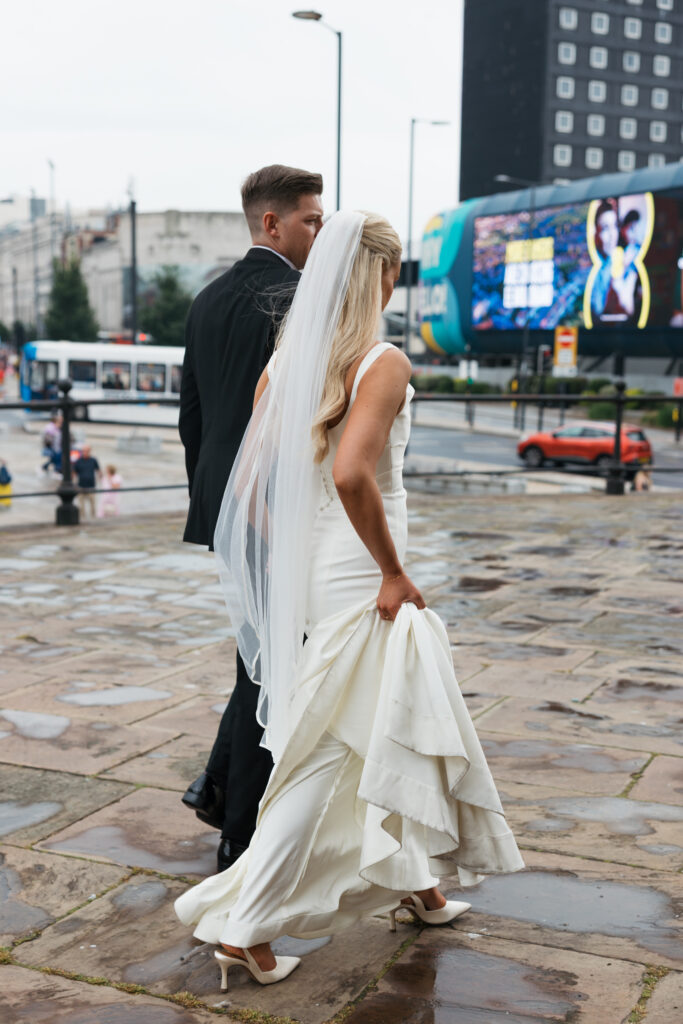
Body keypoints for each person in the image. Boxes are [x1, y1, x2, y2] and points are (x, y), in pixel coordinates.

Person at [175, 211, 523, 991]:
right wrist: (392, 573)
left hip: (315, 574)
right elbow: (351, 475)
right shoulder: (383, 363)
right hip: (364, 573)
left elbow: (254, 492)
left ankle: (422, 890)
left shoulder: (284, 366)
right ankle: (245, 929)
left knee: (371, 726)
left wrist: (301, 554)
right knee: (335, 748)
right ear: (384, 277)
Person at [179, 165, 324, 873]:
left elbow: (193, 419)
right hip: (279, 511)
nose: (317, 231)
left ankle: (215, 788)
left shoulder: (206, 299)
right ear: (272, 223)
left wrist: (214, 508)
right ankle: (238, 833)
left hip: (227, 511)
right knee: (274, 665)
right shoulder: (300, 300)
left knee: (258, 657)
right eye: (309, 219)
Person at [73, 444, 100, 518]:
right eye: (84, 451)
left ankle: (93, 518)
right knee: (81, 505)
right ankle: (83, 518)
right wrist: (73, 484)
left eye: (87, 451)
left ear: (90, 451)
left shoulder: (93, 460)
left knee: (93, 504)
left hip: (91, 486)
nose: (85, 452)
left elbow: (98, 471)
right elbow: (74, 473)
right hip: (81, 486)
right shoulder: (78, 461)